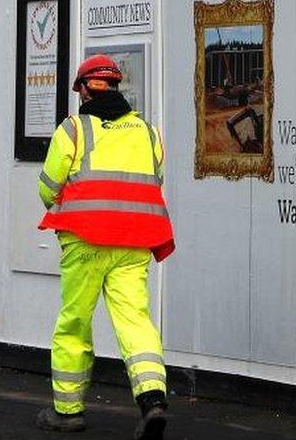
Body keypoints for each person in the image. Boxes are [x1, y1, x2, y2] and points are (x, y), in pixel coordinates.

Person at [36, 54, 175, 440]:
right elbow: (154, 179)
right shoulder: (147, 131)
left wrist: (68, 207)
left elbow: (48, 186)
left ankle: (68, 410)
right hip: (134, 242)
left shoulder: (73, 129)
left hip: (85, 241)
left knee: (74, 323)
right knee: (135, 321)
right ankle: (153, 401)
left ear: (84, 89)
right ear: (116, 86)